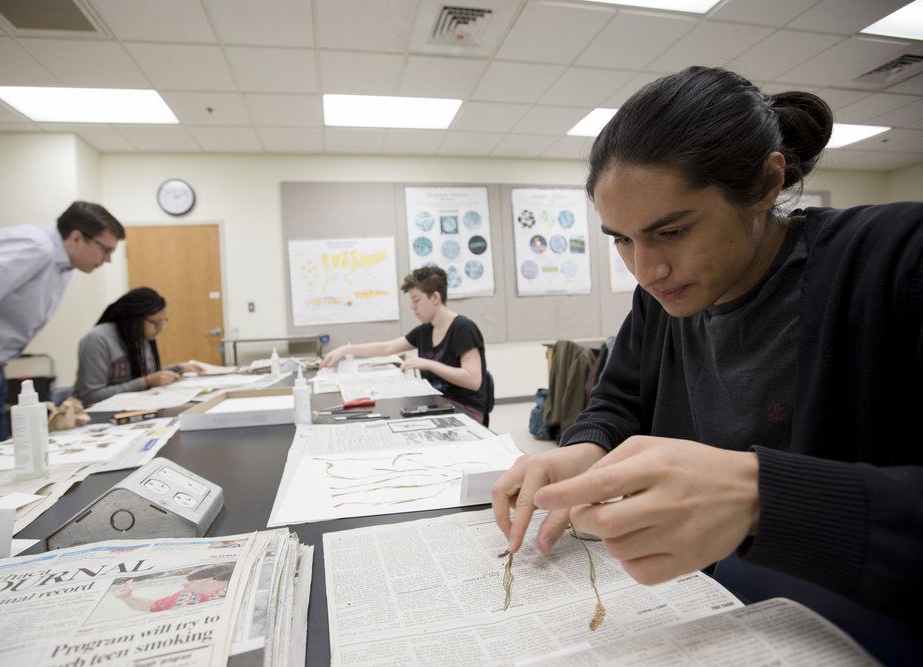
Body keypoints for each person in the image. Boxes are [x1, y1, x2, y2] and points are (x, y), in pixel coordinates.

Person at [491, 66, 922, 646]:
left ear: (767, 183)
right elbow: (620, 401)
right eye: (621, 238)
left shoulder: (897, 259)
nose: (646, 270)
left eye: (671, 231)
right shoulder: (658, 301)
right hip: (710, 608)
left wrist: (763, 495)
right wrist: (584, 451)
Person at [0, 201, 124, 461]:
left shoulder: (60, 262)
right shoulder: (32, 248)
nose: (107, 259)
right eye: (105, 250)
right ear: (76, 237)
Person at [320, 266, 489, 423]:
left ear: (435, 297)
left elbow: (473, 380)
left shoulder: (462, 328)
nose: (412, 307)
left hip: (465, 410)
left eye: (416, 300)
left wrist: (429, 364)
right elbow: (386, 348)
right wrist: (346, 349)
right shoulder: (425, 331)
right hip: (437, 403)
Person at [72, 287, 204, 407]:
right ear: (133, 319)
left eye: (163, 321)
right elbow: (91, 397)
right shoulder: (97, 339)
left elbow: (142, 376)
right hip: (95, 417)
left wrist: (177, 368)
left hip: (135, 409)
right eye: (154, 322)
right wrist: (145, 383)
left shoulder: (143, 337)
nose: (159, 329)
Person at [113, 564, 232, 613]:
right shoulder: (185, 595)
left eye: (190, 580)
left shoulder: (231, 591)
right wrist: (127, 597)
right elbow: (152, 605)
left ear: (210, 580)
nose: (184, 585)